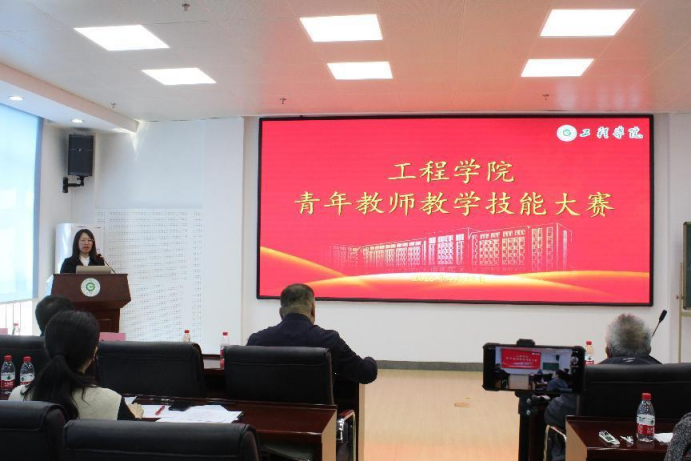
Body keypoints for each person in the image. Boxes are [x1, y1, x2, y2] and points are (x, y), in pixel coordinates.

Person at [544, 314, 660, 461]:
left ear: (608, 350)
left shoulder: (590, 376)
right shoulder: (673, 377)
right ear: (649, 349)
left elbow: (554, 414)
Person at [9, 310, 142, 421]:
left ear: (47, 348)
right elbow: (133, 440)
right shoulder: (111, 401)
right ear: (93, 353)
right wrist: (135, 418)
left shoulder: (17, 396)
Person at [247, 283, 378, 384]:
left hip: (268, 412)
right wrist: (370, 360)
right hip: (318, 413)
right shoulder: (330, 341)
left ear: (281, 313)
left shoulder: (257, 341)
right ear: (313, 311)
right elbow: (366, 374)